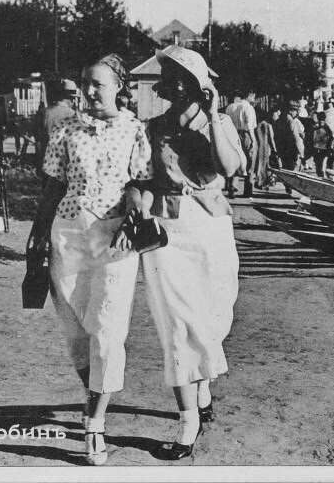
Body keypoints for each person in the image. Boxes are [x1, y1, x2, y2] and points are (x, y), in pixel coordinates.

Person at [30, 54, 152, 466]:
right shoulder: (65, 128)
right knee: (75, 330)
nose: (89, 90)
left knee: (107, 326)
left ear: (119, 86)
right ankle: (93, 391)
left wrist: (135, 203)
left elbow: (142, 181)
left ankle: (94, 424)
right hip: (67, 233)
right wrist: (36, 236)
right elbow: (53, 186)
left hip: (115, 236)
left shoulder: (134, 128)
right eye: (85, 82)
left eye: (98, 83)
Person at [140, 45, 244, 461]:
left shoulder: (218, 122)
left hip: (211, 228)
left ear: (198, 84)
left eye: (181, 77)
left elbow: (229, 168)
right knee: (178, 323)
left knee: (214, 318)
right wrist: (140, 206)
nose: (173, 84)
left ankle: (201, 389)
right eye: (169, 76)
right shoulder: (153, 127)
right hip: (168, 233)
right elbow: (144, 179)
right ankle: (188, 422)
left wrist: (214, 115)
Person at [37, 79, 78, 166]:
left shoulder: (43, 112)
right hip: (63, 163)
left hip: (44, 161)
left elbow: (36, 137)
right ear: (71, 99)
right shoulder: (72, 114)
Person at [224, 90, 257, 198]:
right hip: (246, 135)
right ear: (249, 96)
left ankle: (232, 186)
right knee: (250, 162)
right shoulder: (248, 108)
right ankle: (248, 191)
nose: (253, 99)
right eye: (253, 97)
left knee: (234, 160)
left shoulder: (230, 107)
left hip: (232, 134)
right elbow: (250, 125)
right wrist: (253, 140)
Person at [273, 103, 305, 172]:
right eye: (296, 111)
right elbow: (296, 139)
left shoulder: (278, 121)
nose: (296, 113)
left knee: (286, 171)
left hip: (282, 150)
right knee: (293, 172)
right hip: (292, 151)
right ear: (290, 111)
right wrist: (302, 155)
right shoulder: (291, 122)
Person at [252, 108, 277, 189]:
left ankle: (259, 181)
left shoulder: (257, 126)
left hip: (259, 148)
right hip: (267, 148)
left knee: (259, 165)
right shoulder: (268, 126)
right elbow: (271, 139)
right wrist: (274, 149)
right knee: (267, 166)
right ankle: (265, 183)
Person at [309, 112, 333, 177]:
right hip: (324, 148)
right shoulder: (327, 127)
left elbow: (312, 136)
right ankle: (322, 174)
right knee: (322, 163)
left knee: (318, 164)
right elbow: (331, 138)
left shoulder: (316, 126)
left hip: (316, 147)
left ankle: (320, 174)